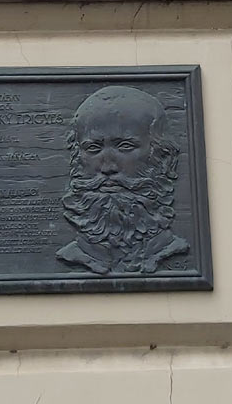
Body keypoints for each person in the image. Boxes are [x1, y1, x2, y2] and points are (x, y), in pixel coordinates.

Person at [57, 85, 190, 275]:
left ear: (163, 157)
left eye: (125, 147)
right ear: (77, 158)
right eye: (93, 148)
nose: (107, 167)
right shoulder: (70, 256)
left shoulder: (175, 250)